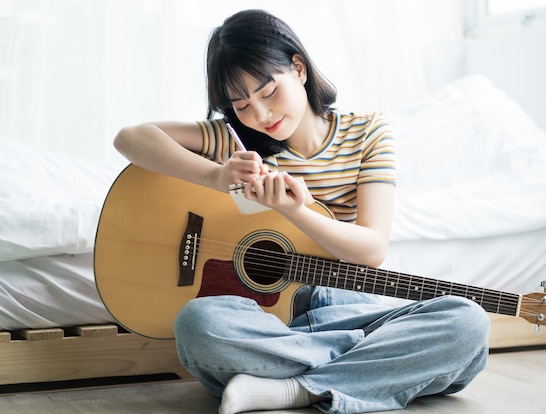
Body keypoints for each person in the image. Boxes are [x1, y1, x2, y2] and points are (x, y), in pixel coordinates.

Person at [113, 9, 490, 414]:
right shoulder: (234, 141)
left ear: (298, 68)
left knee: (467, 322)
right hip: (267, 323)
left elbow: (370, 250)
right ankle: (365, 370)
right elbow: (130, 138)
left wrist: (296, 211)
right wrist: (217, 177)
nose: (260, 114)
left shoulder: (367, 132)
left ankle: (294, 388)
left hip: (350, 309)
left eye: (268, 92)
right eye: (240, 104)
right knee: (197, 324)